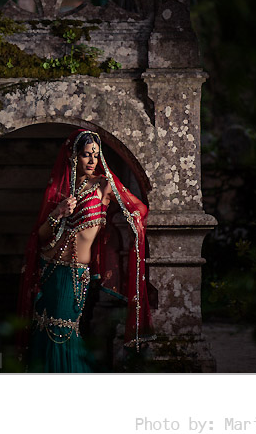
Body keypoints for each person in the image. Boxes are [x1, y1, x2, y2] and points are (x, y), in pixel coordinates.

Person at [17, 128, 154, 372]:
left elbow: (139, 208)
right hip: (50, 266)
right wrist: (58, 212)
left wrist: (130, 220)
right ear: (73, 157)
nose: (92, 161)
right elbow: (40, 236)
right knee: (47, 327)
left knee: (63, 328)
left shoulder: (103, 185)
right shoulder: (60, 191)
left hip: (76, 272)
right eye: (85, 155)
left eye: (95, 155)